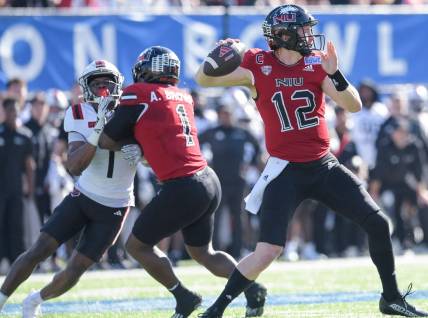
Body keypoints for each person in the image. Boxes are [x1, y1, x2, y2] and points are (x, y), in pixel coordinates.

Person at [195, 4, 428, 318]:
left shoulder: (317, 65)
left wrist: (335, 73)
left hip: (323, 166)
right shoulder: (256, 64)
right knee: (268, 251)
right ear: (284, 35)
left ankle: (391, 297)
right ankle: (216, 309)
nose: (309, 35)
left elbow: (354, 104)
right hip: (284, 170)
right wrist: (213, 59)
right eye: (303, 30)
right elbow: (204, 80)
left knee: (378, 223)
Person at [98, 46, 267, 318]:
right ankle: (252, 289)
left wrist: (128, 142)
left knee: (136, 246)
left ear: (147, 69)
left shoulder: (139, 93)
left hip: (184, 185)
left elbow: (106, 140)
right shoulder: (183, 96)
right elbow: (157, 130)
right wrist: (140, 146)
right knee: (204, 254)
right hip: (207, 180)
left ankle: (183, 296)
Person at [0, 59, 141, 318]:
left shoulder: (131, 112)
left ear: (118, 86)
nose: (102, 90)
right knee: (39, 250)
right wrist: (99, 128)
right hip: (84, 196)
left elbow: (153, 152)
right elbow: (75, 165)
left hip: (116, 204)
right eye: (96, 84)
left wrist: (142, 152)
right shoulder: (78, 113)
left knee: (76, 269)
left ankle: (35, 300)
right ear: (86, 88)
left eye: (107, 84)